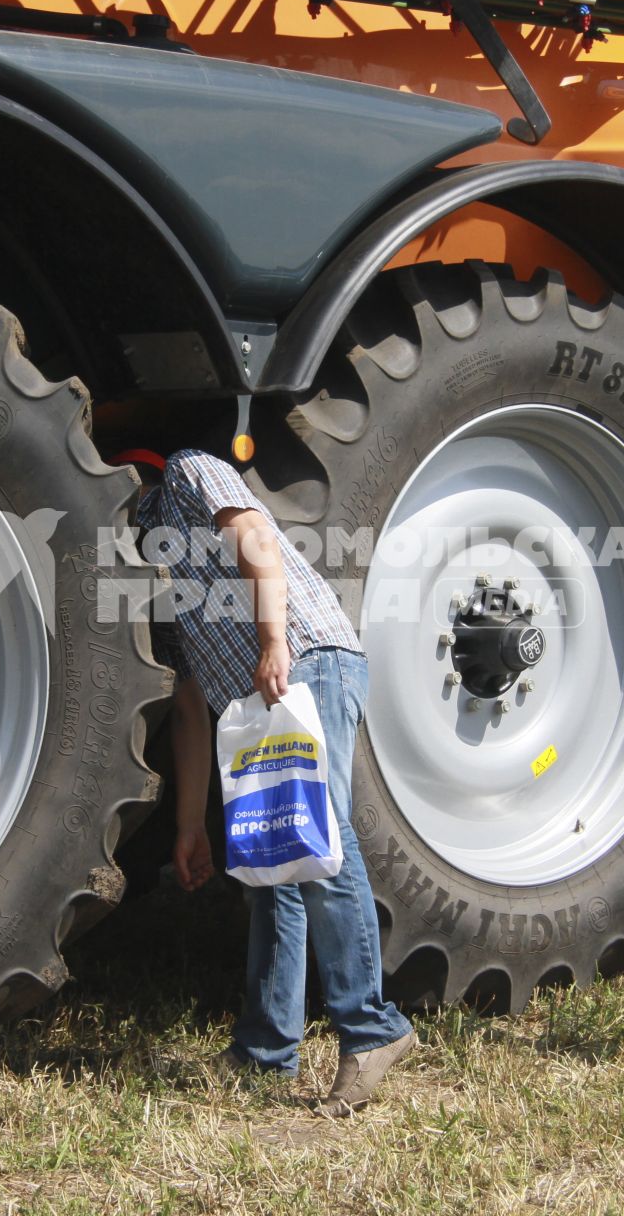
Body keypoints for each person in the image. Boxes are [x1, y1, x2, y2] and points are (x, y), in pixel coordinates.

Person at [126, 446, 415, 1117]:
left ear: (132, 477)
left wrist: (271, 641)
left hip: (304, 659)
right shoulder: (151, 571)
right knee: (272, 867)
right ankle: (265, 1051)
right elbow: (192, 705)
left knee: (316, 842)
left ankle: (372, 1030)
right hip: (255, 697)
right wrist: (193, 825)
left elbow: (255, 536)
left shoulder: (189, 473)